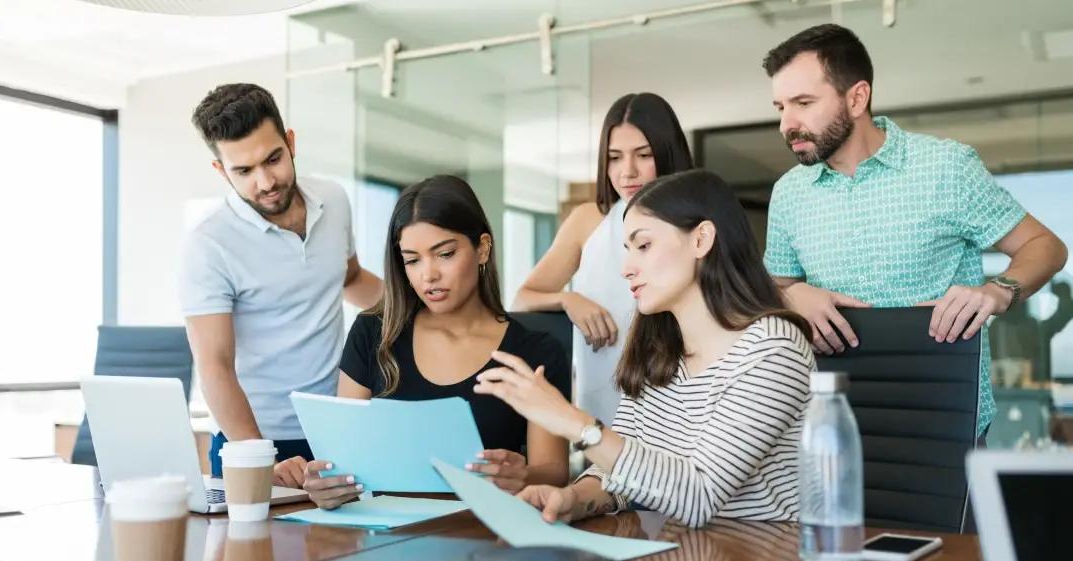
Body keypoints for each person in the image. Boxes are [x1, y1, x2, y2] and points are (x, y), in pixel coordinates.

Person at [761, 24, 1067, 436]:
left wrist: (997, 291)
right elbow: (773, 289)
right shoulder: (788, 193)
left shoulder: (945, 167)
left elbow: (1044, 245)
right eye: (781, 107)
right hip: (830, 414)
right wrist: (791, 293)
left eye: (803, 102)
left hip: (944, 410)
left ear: (856, 98)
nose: (787, 124)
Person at [474, 170, 815, 528]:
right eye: (627, 251)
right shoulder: (661, 351)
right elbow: (624, 472)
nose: (626, 269)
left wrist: (573, 422)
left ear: (701, 239)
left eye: (643, 246)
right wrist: (574, 498)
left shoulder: (774, 349)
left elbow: (699, 496)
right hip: (685, 556)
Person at [302, 175, 570, 509]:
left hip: (485, 532)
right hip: (386, 536)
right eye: (412, 260)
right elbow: (342, 458)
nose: (428, 275)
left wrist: (523, 475)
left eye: (444, 254)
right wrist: (327, 484)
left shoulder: (534, 351)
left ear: (482, 248)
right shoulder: (373, 333)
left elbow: (555, 471)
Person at [180, 83, 382, 486]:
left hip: (335, 431)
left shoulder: (333, 199)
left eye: (273, 159)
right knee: (251, 551)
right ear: (222, 170)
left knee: (345, 549)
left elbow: (352, 279)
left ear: (290, 143)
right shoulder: (209, 243)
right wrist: (258, 455)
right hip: (254, 439)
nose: (266, 181)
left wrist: (426, 311)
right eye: (244, 171)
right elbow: (214, 365)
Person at [513, 92, 694, 426]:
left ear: (667, 154)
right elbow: (523, 298)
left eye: (643, 155)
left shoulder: (696, 224)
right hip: (601, 404)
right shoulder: (588, 220)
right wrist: (568, 299)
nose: (627, 171)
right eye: (614, 157)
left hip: (679, 404)